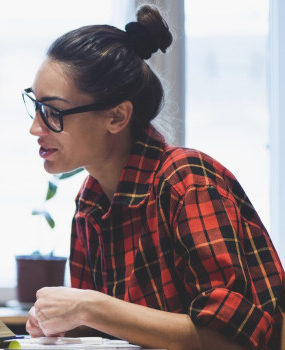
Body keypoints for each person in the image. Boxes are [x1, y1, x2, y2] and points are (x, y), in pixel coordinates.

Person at [22, 5, 284, 350]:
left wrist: (90, 307)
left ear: (117, 117)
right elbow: (111, 332)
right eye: (35, 105)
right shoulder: (90, 201)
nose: (35, 128)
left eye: (53, 111)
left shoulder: (188, 182)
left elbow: (226, 340)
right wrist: (62, 323)